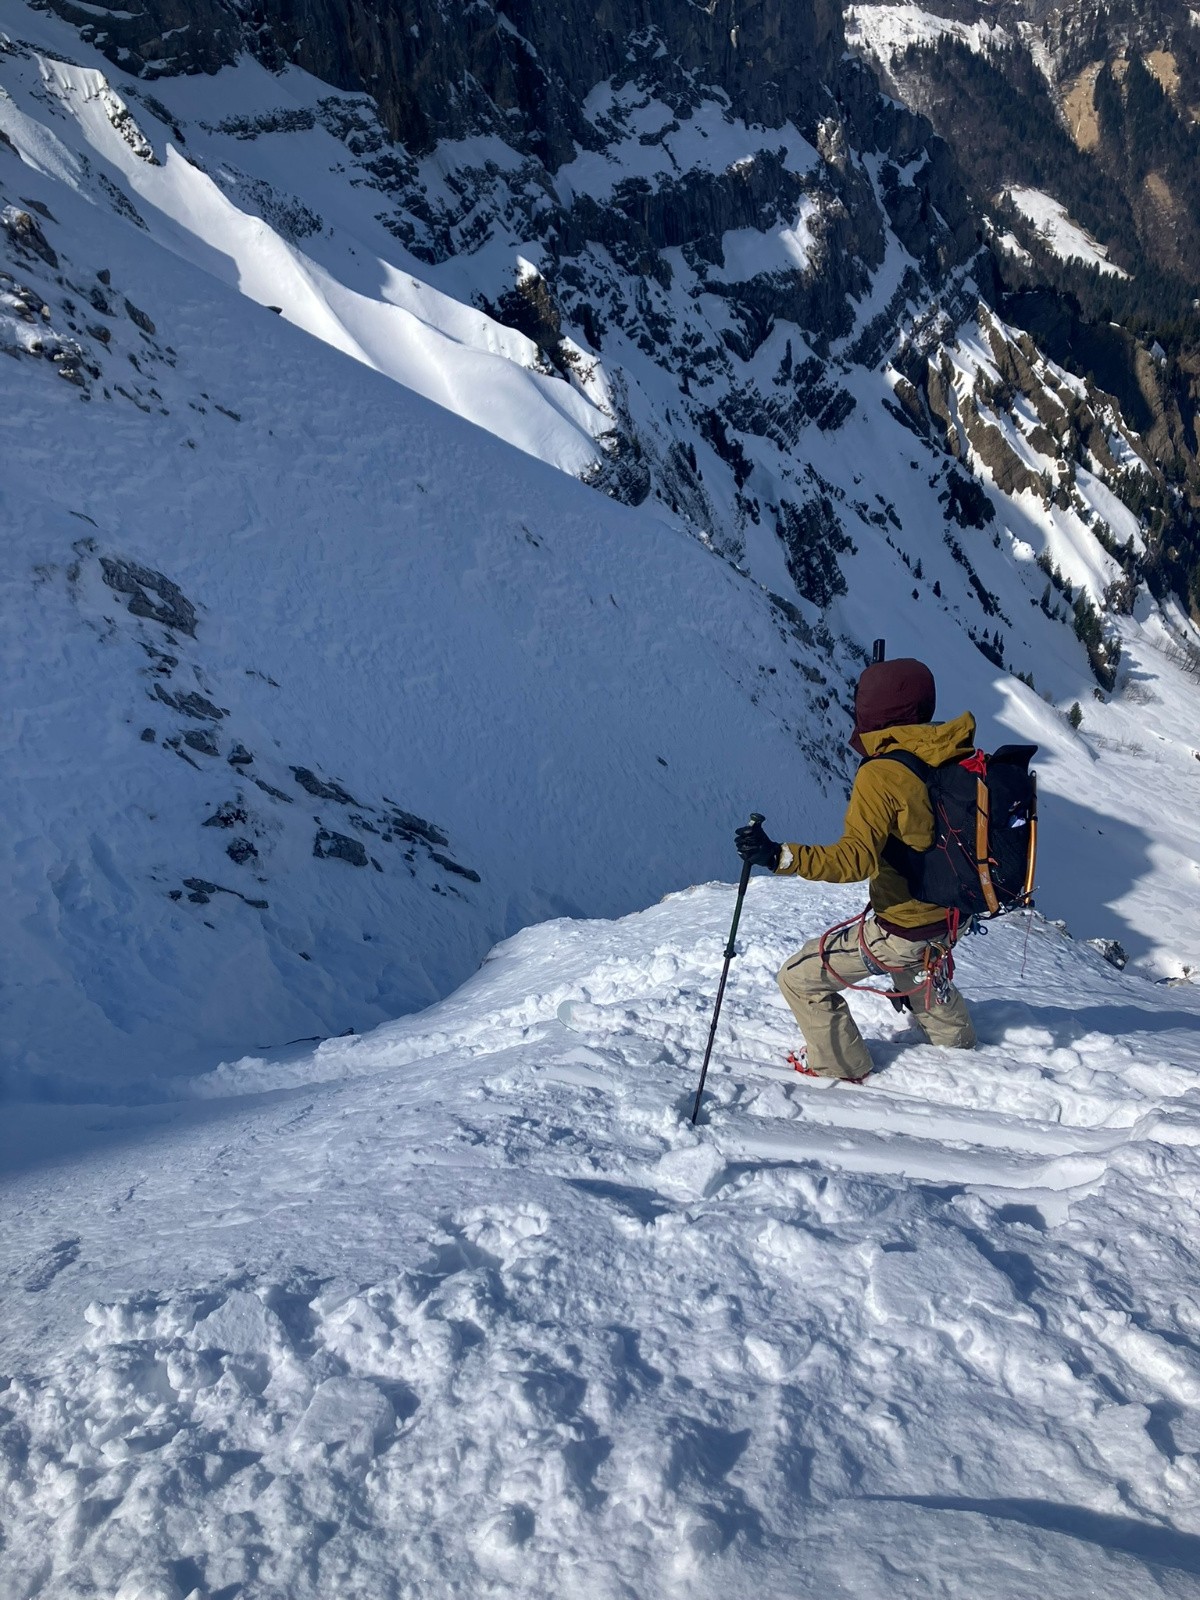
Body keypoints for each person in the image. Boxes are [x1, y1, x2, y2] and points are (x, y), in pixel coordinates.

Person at [735, 656, 977, 1082]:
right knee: (920, 960)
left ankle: (841, 1065)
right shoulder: (954, 751)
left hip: (902, 925)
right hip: (951, 916)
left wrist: (778, 856)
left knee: (799, 977)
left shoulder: (882, 773)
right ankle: (961, 1049)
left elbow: (854, 860)